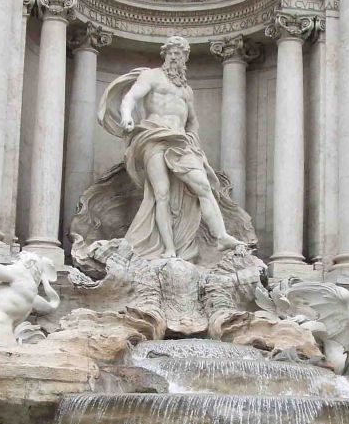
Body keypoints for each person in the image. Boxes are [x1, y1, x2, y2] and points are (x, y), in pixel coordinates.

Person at [97, 35, 243, 261]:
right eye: (172, 53)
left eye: (180, 54)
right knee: (161, 193)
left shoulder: (186, 90)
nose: (176, 57)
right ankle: (169, 249)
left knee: (203, 186)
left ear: (185, 58)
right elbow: (131, 97)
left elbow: (192, 120)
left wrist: (193, 138)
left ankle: (221, 236)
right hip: (153, 136)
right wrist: (126, 116)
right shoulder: (151, 76)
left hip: (181, 141)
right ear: (165, 55)